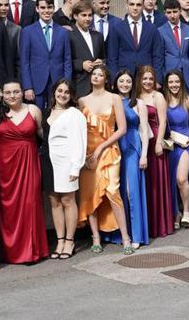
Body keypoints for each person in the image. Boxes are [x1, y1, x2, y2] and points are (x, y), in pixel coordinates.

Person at [0, 80, 48, 263]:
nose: (12, 96)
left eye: (16, 92)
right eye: (8, 93)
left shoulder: (33, 111)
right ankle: (9, 252)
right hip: (4, 167)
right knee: (7, 209)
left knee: (30, 204)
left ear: (22, 93)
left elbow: (43, 136)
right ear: (3, 95)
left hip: (29, 164)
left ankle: (31, 251)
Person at [77, 66, 133, 254]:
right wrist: (83, 154)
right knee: (89, 193)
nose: (97, 77)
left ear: (106, 79)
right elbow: (79, 130)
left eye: (100, 74)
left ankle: (125, 237)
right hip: (88, 153)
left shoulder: (114, 98)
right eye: (94, 74)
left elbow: (122, 129)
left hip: (108, 150)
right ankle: (95, 237)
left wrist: (101, 147)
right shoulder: (82, 100)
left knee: (112, 191)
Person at [44, 79, 87, 259]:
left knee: (68, 200)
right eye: (59, 90)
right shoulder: (48, 111)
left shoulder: (74, 114)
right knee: (54, 201)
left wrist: (75, 167)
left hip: (67, 163)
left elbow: (80, 141)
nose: (62, 94)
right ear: (54, 92)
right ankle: (60, 240)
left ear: (71, 96)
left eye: (67, 92)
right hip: (48, 162)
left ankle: (70, 241)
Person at [112, 70, 149, 248]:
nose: (125, 84)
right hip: (116, 148)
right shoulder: (113, 100)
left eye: (128, 81)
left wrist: (144, 155)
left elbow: (144, 131)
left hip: (133, 147)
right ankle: (123, 233)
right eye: (121, 81)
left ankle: (137, 235)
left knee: (130, 190)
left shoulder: (138, 103)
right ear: (116, 83)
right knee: (117, 192)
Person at [137, 65, 173, 237]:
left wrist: (159, 143)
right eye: (145, 78)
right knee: (146, 183)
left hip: (155, 140)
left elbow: (163, 121)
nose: (148, 82)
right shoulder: (135, 96)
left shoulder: (157, 96)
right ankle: (147, 223)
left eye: (151, 78)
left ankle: (160, 224)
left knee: (157, 183)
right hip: (141, 142)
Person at [20, 0, 72, 109]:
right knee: (37, 118)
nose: (46, 11)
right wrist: (27, 86)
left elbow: (67, 60)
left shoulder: (63, 32)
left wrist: (67, 84)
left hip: (58, 83)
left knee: (57, 116)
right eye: (43, 8)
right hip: (36, 83)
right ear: (37, 9)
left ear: (54, 8)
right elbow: (24, 61)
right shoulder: (27, 31)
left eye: (49, 7)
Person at [164, 71, 189, 227]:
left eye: (177, 81)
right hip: (170, 145)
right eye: (171, 82)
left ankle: (186, 211)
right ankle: (175, 213)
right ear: (167, 84)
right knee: (170, 181)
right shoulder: (162, 101)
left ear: (181, 82)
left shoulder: (188, 101)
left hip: (185, 144)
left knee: (181, 179)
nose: (174, 85)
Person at [107, 0, 164, 81]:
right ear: (127, 6)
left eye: (138, 5)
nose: (135, 8)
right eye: (132, 4)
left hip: (146, 77)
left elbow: (157, 56)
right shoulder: (116, 28)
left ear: (143, 6)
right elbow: (112, 57)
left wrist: (157, 79)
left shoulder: (152, 28)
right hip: (123, 77)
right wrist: (114, 79)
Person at [159, 0, 189, 92]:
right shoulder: (160, 31)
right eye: (169, 12)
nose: (172, 15)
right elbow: (160, 58)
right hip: (169, 75)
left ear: (180, 11)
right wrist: (163, 78)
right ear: (165, 13)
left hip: (187, 75)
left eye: (175, 12)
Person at [69, 2, 106, 98]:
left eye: (90, 15)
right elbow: (64, 60)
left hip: (97, 86)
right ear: (75, 16)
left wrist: (101, 62)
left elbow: (104, 57)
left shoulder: (98, 36)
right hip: (79, 85)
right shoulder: (68, 34)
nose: (88, 19)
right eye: (84, 15)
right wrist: (81, 65)